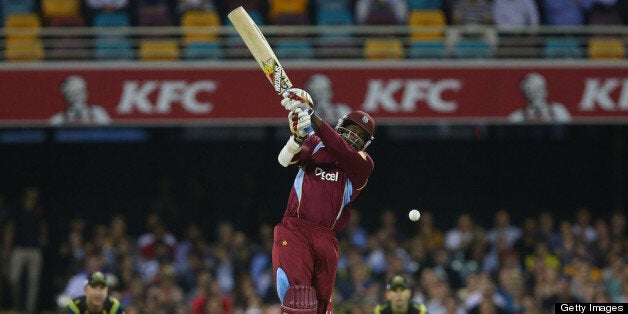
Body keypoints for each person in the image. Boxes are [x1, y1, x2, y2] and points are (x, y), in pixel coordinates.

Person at [273, 87, 376, 314]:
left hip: (327, 239)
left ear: (366, 144)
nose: (354, 137)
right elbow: (283, 161)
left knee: (321, 309)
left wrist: (312, 116)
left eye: (360, 136)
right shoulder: (316, 143)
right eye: (351, 130)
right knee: (298, 300)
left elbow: (342, 150)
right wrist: (297, 138)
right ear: (340, 127)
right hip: (296, 229)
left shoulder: (363, 163)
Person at [3, 186, 48, 314]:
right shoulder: (17, 208)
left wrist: (43, 237)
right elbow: (10, 228)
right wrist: (7, 248)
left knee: (33, 282)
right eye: (31, 191)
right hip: (19, 248)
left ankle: (30, 310)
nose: (33, 194)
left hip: (34, 249)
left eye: (35, 191)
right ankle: (18, 304)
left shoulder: (39, 209)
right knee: (14, 279)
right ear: (26, 192)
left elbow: (43, 225)